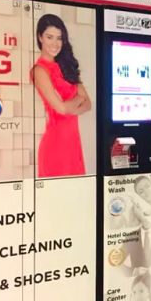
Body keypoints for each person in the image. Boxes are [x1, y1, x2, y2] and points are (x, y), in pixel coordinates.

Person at [32, 14, 91, 178]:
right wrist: (77, 100)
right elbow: (62, 108)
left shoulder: (66, 66)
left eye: (59, 38)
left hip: (73, 142)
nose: (55, 43)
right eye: (49, 37)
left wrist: (70, 106)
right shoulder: (39, 70)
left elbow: (88, 104)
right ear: (40, 37)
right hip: (56, 144)